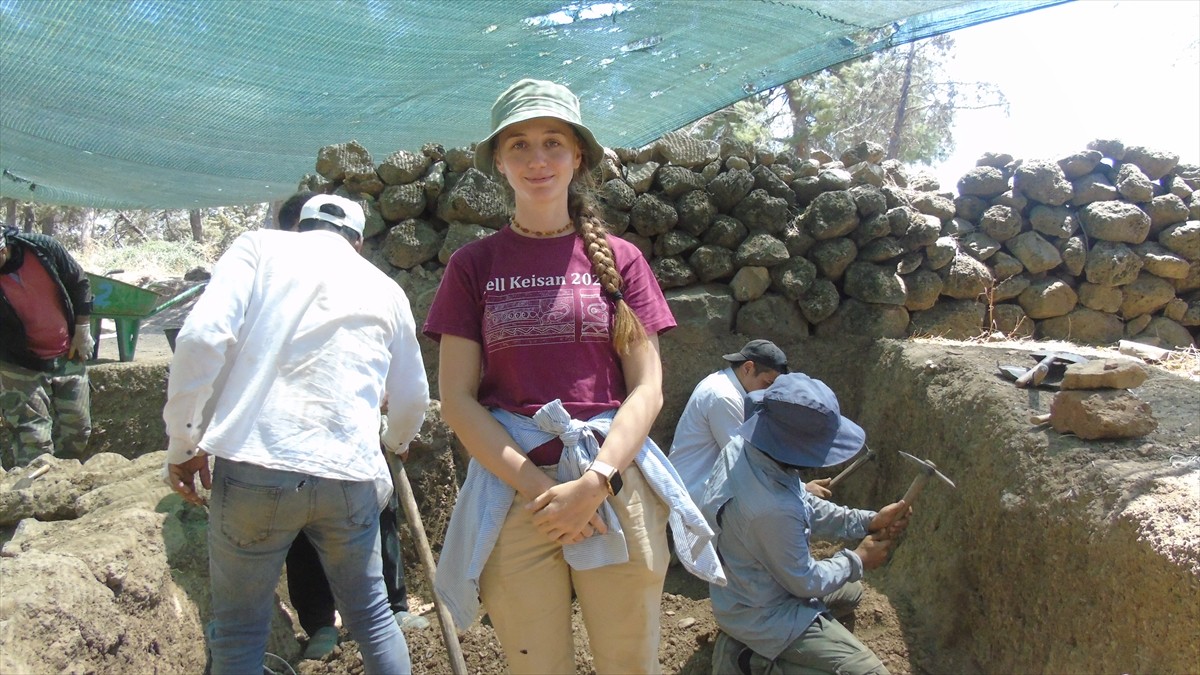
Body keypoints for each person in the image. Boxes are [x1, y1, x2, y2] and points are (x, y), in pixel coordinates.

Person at [424, 78, 724, 674]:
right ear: (500, 162)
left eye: (553, 142)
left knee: (628, 662)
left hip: (615, 482)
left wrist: (595, 483)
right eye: (520, 145)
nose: (538, 160)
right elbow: (457, 399)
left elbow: (647, 387)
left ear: (578, 155)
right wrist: (544, 494)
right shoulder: (472, 266)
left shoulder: (624, 260)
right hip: (517, 497)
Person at [162, 195, 428, 675]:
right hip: (349, 476)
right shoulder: (385, 287)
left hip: (253, 468)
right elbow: (411, 398)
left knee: (240, 630)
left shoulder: (258, 248)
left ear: (299, 227)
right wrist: (395, 443)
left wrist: (185, 441)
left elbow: (201, 338)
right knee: (373, 617)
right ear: (359, 242)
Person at [272, 192, 428, 662]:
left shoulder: (366, 285)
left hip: (342, 431)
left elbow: (387, 360)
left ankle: (387, 609)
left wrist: (390, 424)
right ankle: (324, 623)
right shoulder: (273, 282)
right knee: (306, 530)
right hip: (297, 434)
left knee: (375, 516)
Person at [701, 373, 910, 675]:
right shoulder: (770, 507)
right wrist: (858, 559)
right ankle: (747, 656)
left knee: (851, 593)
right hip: (762, 612)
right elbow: (804, 582)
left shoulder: (748, 450)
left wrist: (868, 521)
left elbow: (803, 503)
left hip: (748, 586)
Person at [0, 226, 93, 469]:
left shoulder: (43, 248)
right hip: (18, 363)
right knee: (34, 441)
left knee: (78, 431)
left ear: (4, 247)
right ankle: (33, 497)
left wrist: (82, 330)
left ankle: (63, 483)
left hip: (68, 353)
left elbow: (79, 282)